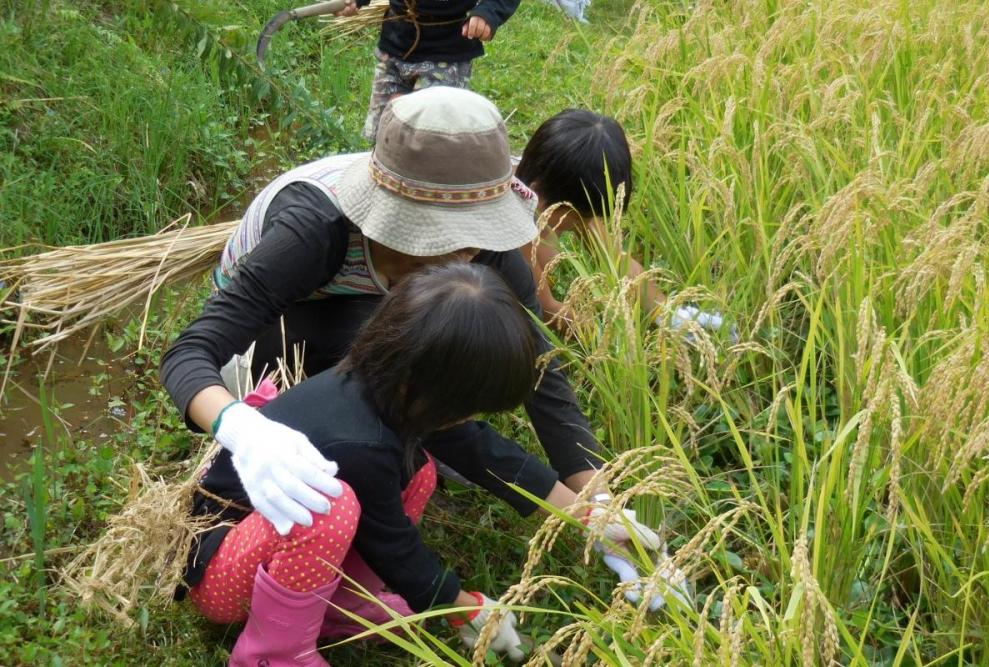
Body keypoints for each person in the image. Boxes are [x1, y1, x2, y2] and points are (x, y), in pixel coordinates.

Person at [160, 87, 656, 579]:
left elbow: (543, 374)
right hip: (283, 331)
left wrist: (598, 502)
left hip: (374, 312)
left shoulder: (483, 240)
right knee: (408, 396)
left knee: (421, 397)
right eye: (443, 243)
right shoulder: (315, 229)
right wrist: (247, 433)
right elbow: (190, 353)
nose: (467, 256)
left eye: (472, 244)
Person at [186, 263, 572, 665]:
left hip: (269, 548)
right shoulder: (359, 443)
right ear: (421, 384)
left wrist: (592, 515)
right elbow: (394, 547)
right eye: (466, 408)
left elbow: (479, 450)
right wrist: (465, 608)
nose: (467, 419)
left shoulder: (389, 385)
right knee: (327, 508)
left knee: (417, 471)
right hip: (219, 570)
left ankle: (341, 608)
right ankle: (274, 653)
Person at [516, 109, 730, 336]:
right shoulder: (513, 224)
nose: (586, 223)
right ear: (539, 195)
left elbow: (615, 259)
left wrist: (667, 313)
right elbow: (547, 310)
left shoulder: (563, 187)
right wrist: (611, 344)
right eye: (579, 217)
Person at [332, 0, 520, 142]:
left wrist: (489, 12)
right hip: (395, 46)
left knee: (430, 138)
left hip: (446, 54)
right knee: (384, 134)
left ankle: (429, 187)